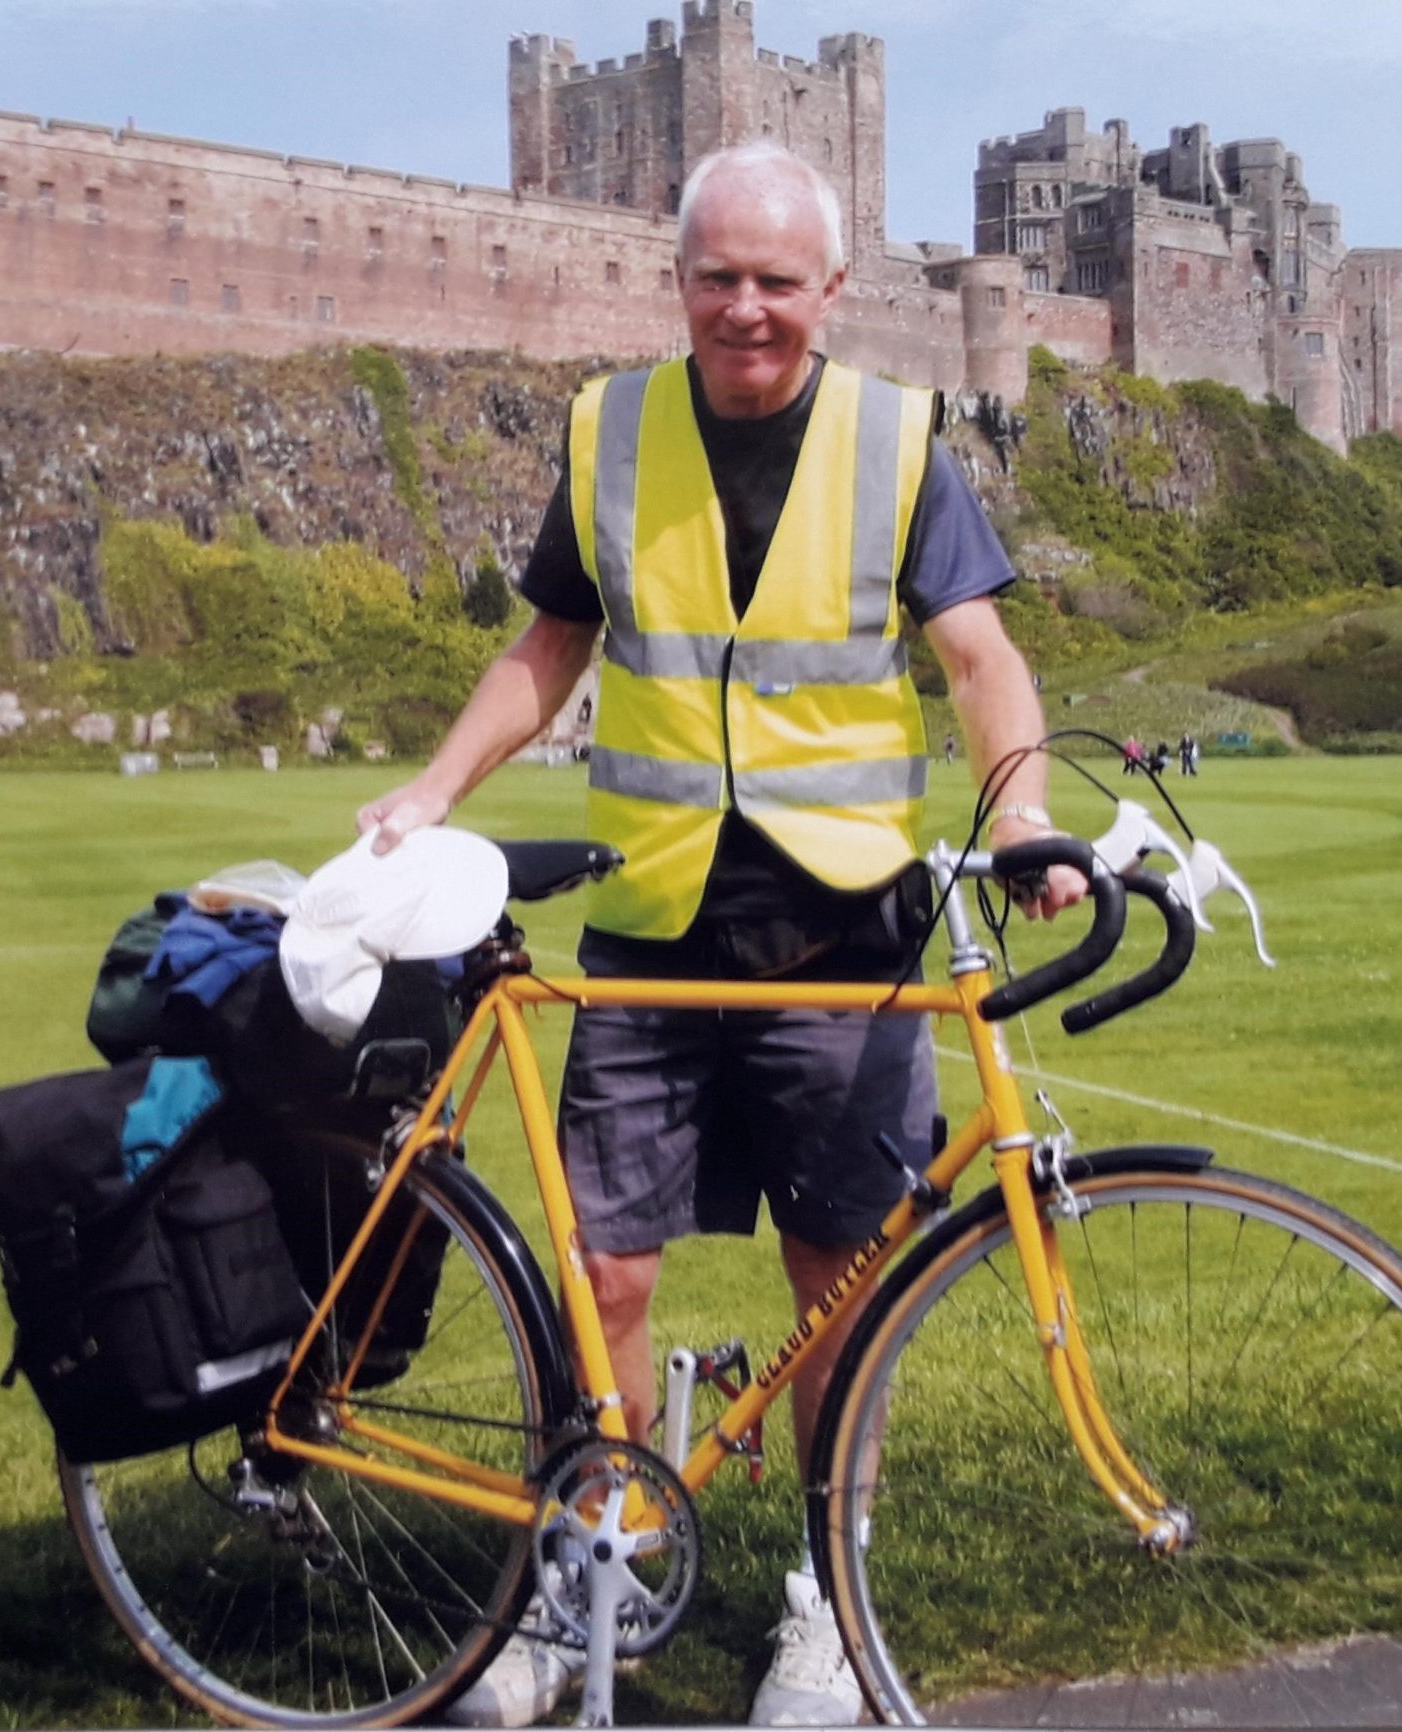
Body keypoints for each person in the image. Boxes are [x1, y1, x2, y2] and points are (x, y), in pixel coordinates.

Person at [356, 138, 1087, 1728]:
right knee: (605, 1272)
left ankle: (827, 1603)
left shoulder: (899, 440)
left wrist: (1021, 818)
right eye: (717, 277)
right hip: (654, 921)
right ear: (675, 281)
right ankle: (594, 1569)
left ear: (832, 288)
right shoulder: (609, 430)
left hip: (846, 938)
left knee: (842, 1286)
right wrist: (431, 787)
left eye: (776, 280)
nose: (745, 309)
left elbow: (979, 657)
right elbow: (550, 644)